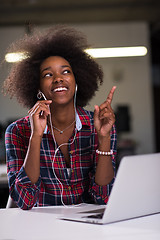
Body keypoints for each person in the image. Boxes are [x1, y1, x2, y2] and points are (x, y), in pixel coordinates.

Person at [3, 25, 117, 210]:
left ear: (77, 80)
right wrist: (36, 136)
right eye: (48, 74)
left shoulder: (99, 124)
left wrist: (103, 139)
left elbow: (104, 198)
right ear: (37, 87)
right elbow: (25, 200)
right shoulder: (17, 131)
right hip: (42, 227)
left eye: (66, 71)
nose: (58, 78)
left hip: (88, 227)